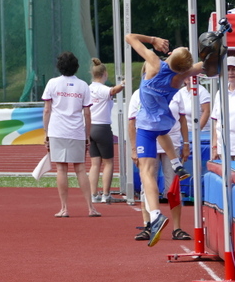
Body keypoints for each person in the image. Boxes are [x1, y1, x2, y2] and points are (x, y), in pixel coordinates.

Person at [124, 32, 204, 247]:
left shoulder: (154, 64)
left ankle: (155, 215)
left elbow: (129, 37)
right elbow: (202, 66)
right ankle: (176, 163)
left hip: (146, 127)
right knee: (162, 134)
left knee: (146, 173)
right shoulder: (181, 76)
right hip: (165, 123)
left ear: (170, 56)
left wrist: (153, 40)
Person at [129, 89, 192, 242]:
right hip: (148, 143)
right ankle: (149, 224)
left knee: (173, 188)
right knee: (146, 183)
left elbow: (182, 119)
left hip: (172, 142)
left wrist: (185, 143)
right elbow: (131, 122)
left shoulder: (174, 92)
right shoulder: (139, 93)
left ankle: (177, 228)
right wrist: (133, 149)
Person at [42, 51, 99, 218]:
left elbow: (47, 110)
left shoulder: (52, 83)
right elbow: (87, 113)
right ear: (76, 67)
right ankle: (90, 208)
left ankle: (64, 208)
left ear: (59, 66)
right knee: (80, 169)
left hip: (57, 130)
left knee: (61, 169)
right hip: (76, 130)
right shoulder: (83, 85)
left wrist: (46, 132)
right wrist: (87, 135)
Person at [87, 58, 124, 203]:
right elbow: (113, 90)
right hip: (102, 127)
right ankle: (106, 194)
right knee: (108, 162)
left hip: (90, 127)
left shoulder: (88, 88)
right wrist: (123, 84)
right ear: (105, 74)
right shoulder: (102, 89)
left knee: (95, 163)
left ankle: (93, 194)